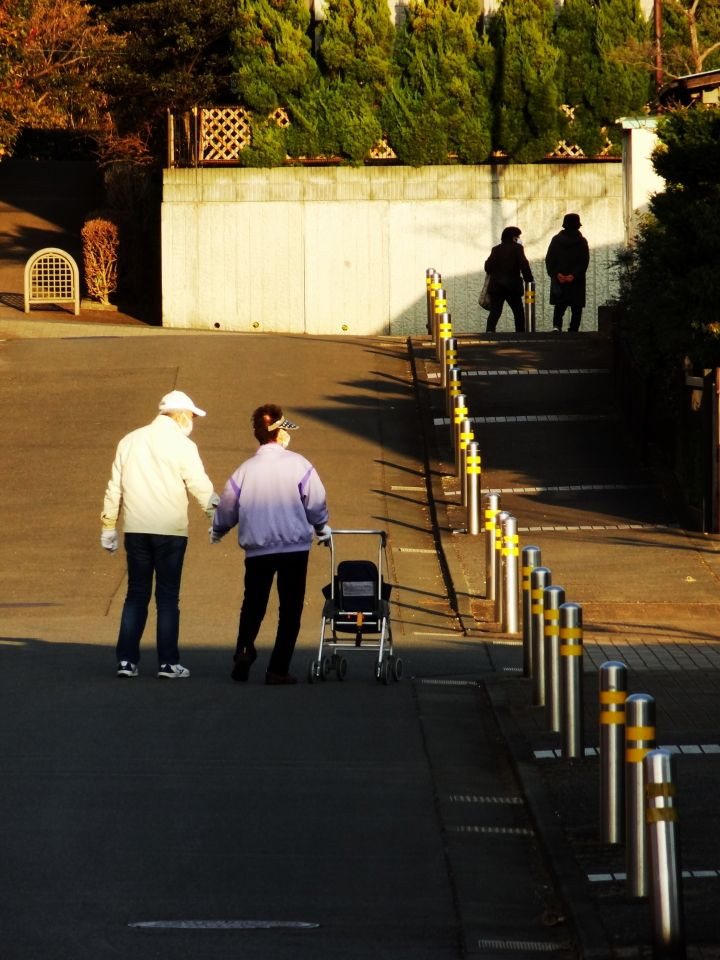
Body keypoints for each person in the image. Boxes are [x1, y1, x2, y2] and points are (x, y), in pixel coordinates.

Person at [101, 390, 218, 679]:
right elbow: (200, 485)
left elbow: (114, 487)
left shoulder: (129, 440)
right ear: (181, 415)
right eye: (192, 416)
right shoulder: (183, 445)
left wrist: (108, 526)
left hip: (136, 529)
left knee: (135, 594)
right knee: (167, 597)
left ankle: (126, 661)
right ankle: (167, 663)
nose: (192, 422)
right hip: (170, 531)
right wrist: (217, 520)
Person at [211, 404, 330, 686]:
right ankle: (278, 668)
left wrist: (218, 528)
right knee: (290, 609)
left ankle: (244, 649)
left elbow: (227, 507)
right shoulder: (299, 464)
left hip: (257, 550)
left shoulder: (245, 470)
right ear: (279, 433)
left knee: (253, 603)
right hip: (293, 548)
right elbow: (315, 502)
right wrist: (321, 526)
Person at [483, 226, 534, 333]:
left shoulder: (496, 249)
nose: (519, 239)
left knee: (495, 311)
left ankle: (489, 332)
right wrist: (529, 279)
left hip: (496, 286)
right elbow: (524, 265)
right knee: (518, 311)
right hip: (512, 286)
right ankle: (520, 333)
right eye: (518, 236)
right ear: (513, 237)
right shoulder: (518, 248)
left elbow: (488, 267)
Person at [544, 212, 590, 332]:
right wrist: (574, 275)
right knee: (576, 306)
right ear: (578, 226)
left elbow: (549, 259)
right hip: (576, 280)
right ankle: (574, 329)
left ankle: (556, 326)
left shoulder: (556, 240)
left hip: (560, 279)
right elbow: (584, 261)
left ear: (564, 225)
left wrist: (556, 274)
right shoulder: (582, 241)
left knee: (559, 304)